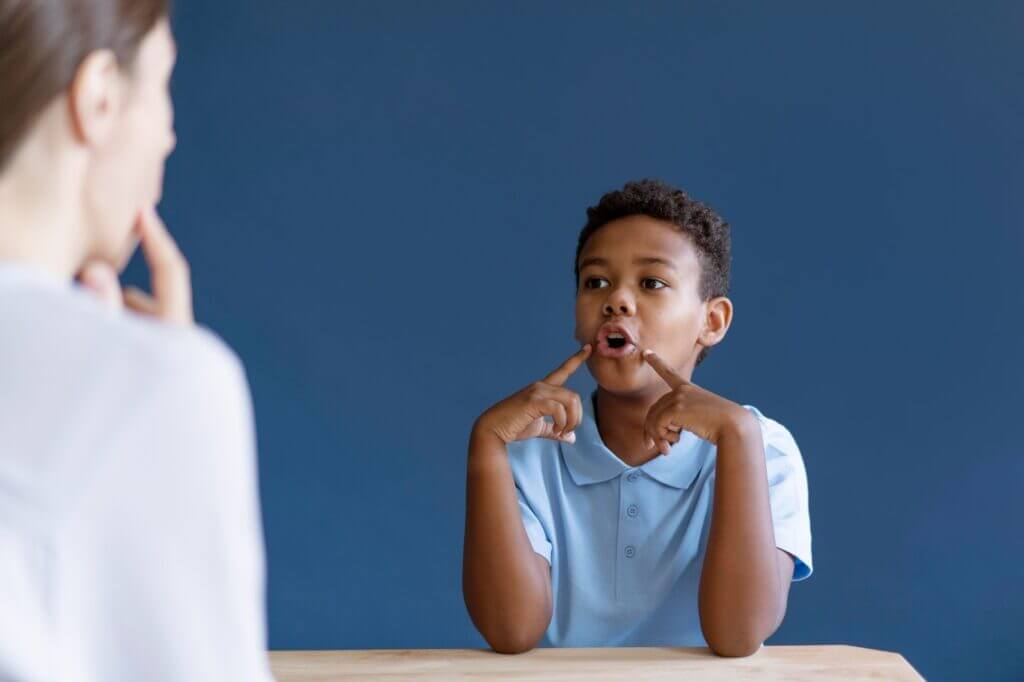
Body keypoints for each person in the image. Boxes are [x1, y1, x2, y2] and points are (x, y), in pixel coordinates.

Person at [0, 2, 272, 679]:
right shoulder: (165, 383)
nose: (169, 138)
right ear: (97, 100)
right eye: (162, 89)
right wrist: (166, 377)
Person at [463, 179, 813, 656]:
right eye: (596, 282)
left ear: (712, 322)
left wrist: (736, 438)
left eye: (652, 283)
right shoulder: (530, 448)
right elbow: (511, 631)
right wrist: (486, 444)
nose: (617, 301)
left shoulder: (762, 447)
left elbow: (738, 636)